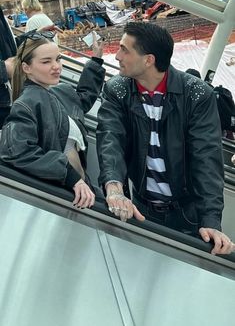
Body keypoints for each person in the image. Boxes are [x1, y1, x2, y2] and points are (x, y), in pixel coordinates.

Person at [96, 21, 235, 255]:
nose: (117, 56)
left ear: (148, 60)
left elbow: (206, 159)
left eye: (124, 49)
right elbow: (111, 138)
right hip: (141, 207)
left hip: (186, 212)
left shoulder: (196, 94)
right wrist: (114, 186)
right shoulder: (117, 89)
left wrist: (210, 220)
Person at [0, 31, 105, 209]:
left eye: (58, 59)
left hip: (80, 188)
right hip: (64, 192)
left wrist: (95, 60)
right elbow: (16, 151)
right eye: (46, 61)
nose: (56, 66)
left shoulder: (60, 91)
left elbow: (82, 100)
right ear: (26, 68)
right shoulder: (26, 104)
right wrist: (69, 175)